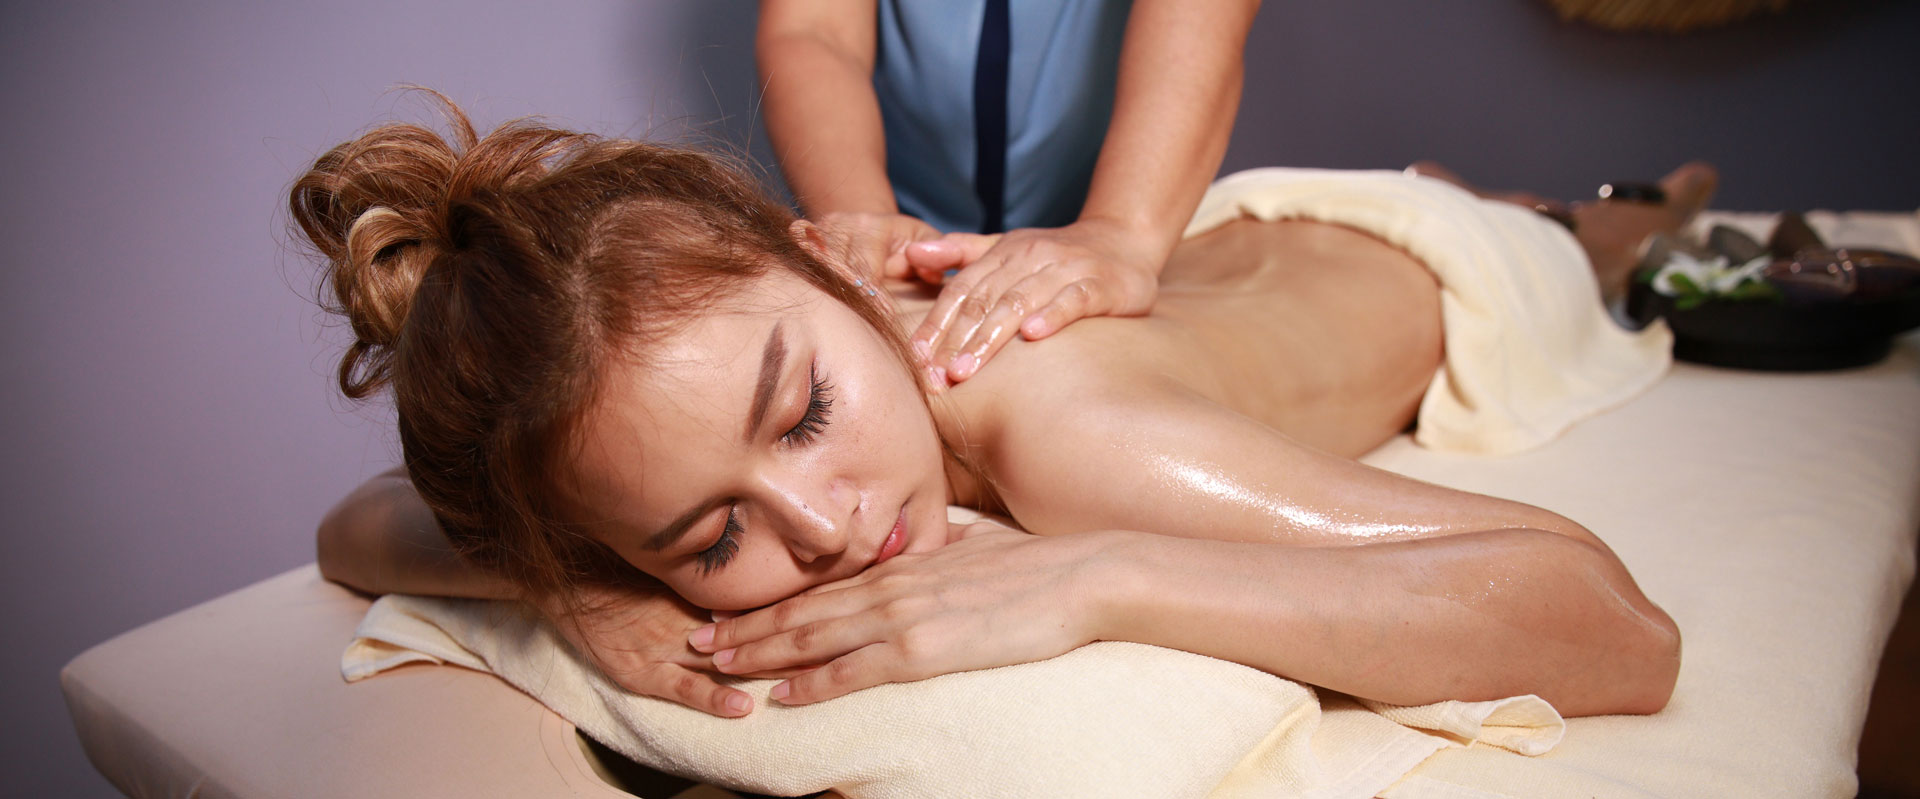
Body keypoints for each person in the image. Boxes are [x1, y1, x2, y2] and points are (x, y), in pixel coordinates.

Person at [299, 96, 1696, 723]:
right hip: (1244, 251)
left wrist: (1108, 573)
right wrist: (571, 593)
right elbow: (355, 523)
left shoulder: (1079, 442)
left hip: (1433, 264)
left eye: (805, 414)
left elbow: (1616, 626)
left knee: (1576, 238)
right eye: (714, 537)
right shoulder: (746, 363)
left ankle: (1612, 213)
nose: (828, 522)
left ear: (833, 259)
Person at [756, 0, 1260, 385]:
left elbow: (1195, 23)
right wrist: (861, 220)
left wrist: (1124, 228)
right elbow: (814, 28)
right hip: (895, 217)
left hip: (1140, 206)